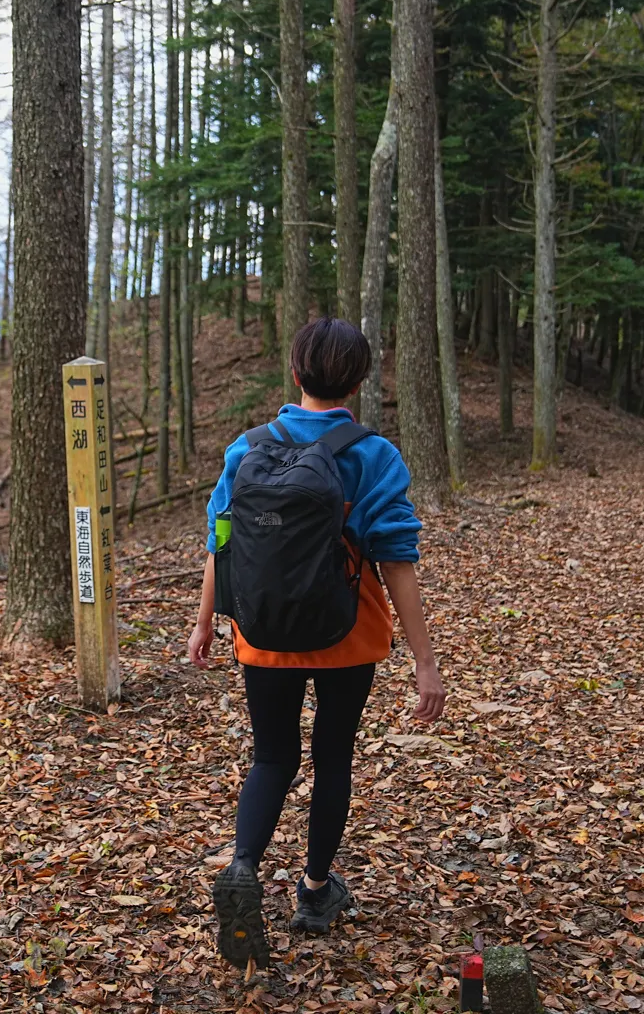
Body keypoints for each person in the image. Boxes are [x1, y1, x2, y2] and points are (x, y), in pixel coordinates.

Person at [189, 316, 446, 967]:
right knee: (333, 758)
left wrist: (204, 621)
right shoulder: (372, 455)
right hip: (349, 636)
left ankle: (244, 865)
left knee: (272, 757)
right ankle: (312, 891)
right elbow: (398, 561)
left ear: (295, 373)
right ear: (358, 381)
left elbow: (222, 541)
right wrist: (425, 661)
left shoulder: (247, 448)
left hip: (263, 634)